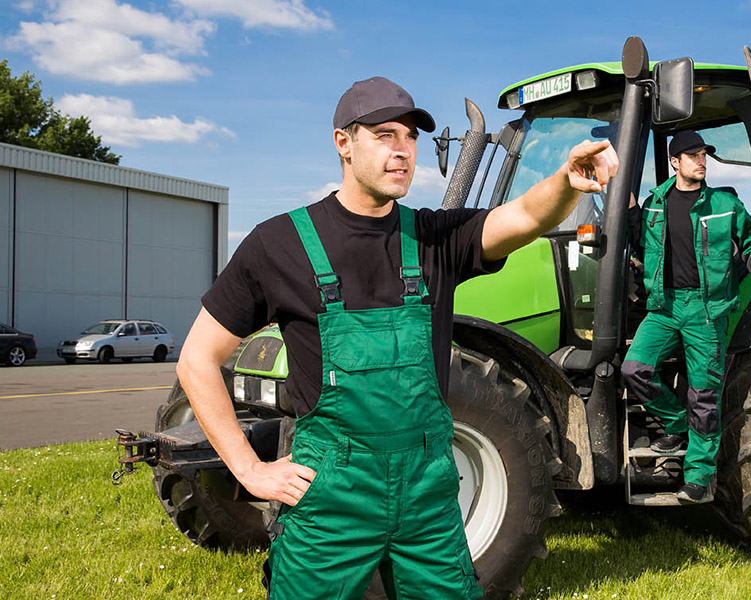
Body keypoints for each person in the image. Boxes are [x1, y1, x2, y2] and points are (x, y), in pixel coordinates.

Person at [176, 76, 619, 600]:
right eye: (385, 135)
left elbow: (522, 216)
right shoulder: (279, 244)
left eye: (410, 138)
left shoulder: (433, 237)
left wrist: (567, 180)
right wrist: (250, 470)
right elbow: (198, 359)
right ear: (344, 143)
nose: (402, 150)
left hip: (429, 494)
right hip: (332, 497)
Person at [622, 130, 751, 504]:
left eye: (704, 155)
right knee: (634, 369)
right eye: (693, 155)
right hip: (664, 307)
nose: (701, 161)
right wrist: (625, 199)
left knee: (703, 394)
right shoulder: (655, 204)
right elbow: (637, 238)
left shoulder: (723, 204)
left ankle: (698, 476)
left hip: (706, 309)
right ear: (675, 162)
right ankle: (675, 423)